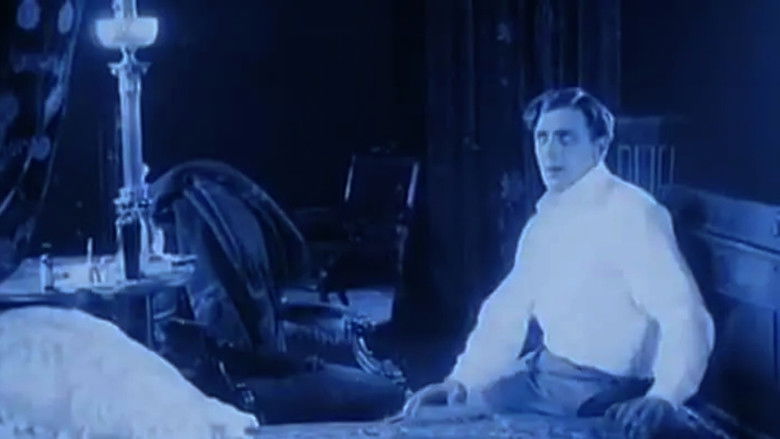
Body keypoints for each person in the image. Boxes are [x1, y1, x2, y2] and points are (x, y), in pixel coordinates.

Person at [399, 88, 715, 439]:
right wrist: (462, 379)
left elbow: (684, 313)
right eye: (542, 138)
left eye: (566, 138)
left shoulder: (633, 213)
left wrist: (665, 395)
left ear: (600, 146)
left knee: (443, 430)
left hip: (599, 391)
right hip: (543, 374)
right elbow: (508, 309)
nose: (550, 152)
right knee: (421, 417)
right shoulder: (547, 219)